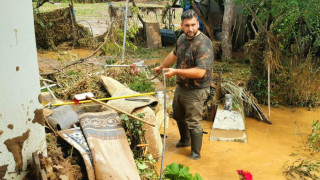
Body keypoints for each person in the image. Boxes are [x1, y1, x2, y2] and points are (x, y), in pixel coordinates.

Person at [154, 9, 213, 160]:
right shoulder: (181, 38)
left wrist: (175, 72)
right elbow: (174, 54)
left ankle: (195, 154)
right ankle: (185, 140)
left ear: (198, 24)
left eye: (193, 25)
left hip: (197, 89)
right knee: (178, 114)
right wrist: (161, 67)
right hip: (182, 86)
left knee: (193, 121)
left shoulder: (204, 43)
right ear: (181, 25)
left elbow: (200, 72)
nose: (191, 29)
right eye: (187, 25)